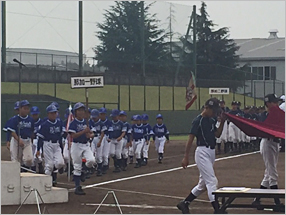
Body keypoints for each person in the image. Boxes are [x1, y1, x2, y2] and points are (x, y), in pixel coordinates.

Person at [177, 98, 226, 214]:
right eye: (213, 110)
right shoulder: (198, 120)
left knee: (203, 184)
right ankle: (217, 209)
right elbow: (190, 139)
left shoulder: (211, 119)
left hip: (211, 152)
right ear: (206, 108)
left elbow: (217, 135)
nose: (214, 113)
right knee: (211, 181)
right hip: (202, 152)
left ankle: (185, 203)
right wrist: (186, 156)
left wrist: (222, 122)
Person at [252, 94, 285, 212]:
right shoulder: (268, 113)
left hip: (275, 143)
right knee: (272, 173)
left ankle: (257, 199)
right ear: (268, 103)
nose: (276, 104)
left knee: (268, 173)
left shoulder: (275, 112)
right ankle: (277, 202)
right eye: (273, 102)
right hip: (268, 143)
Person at [68, 102, 96, 195]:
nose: (81, 112)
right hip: (76, 145)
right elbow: (73, 136)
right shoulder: (73, 123)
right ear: (75, 112)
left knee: (91, 160)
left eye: (82, 110)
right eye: (79, 110)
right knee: (77, 166)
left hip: (85, 144)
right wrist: (84, 131)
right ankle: (77, 186)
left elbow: (92, 133)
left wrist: (90, 135)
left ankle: (84, 170)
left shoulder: (87, 122)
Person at [36, 104, 65, 185]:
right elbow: (40, 139)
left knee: (60, 163)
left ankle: (51, 173)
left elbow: (60, 137)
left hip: (57, 144)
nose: (53, 114)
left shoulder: (59, 123)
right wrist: (38, 149)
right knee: (49, 165)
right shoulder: (44, 125)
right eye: (51, 113)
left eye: (54, 113)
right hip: (47, 144)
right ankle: (46, 183)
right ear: (48, 114)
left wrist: (62, 149)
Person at [7, 100, 34, 171]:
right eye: (24, 108)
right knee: (15, 160)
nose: (26, 110)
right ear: (20, 109)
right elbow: (11, 131)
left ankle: (24, 170)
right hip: (16, 140)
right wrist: (18, 139)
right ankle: (15, 175)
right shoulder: (15, 119)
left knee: (29, 159)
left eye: (27, 108)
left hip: (27, 141)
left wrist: (31, 141)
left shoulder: (31, 119)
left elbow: (32, 131)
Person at [90, 109, 107, 176]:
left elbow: (103, 133)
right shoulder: (91, 122)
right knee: (91, 153)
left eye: (95, 117)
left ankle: (99, 169)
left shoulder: (101, 123)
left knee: (98, 156)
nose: (94, 118)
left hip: (99, 138)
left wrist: (100, 142)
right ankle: (92, 168)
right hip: (93, 138)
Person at [30, 106, 44, 173]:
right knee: (32, 156)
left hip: (38, 139)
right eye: (33, 114)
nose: (34, 116)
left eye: (36, 114)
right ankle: (33, 170)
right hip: (31, 140)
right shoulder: (29, 121)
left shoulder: (41, 122)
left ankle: (40, 165)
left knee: (38, 155)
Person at [99, 107, 112, 174]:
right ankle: (101, 166)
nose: (102, 115)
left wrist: (109, 137)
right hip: (100, 138)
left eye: (103, 114)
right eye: (101, 114)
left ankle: (105, 165)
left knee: (105, 154)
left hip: (106, 138)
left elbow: (110, 131)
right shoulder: (98, 121)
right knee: (99, 153)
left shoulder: (109, 122)